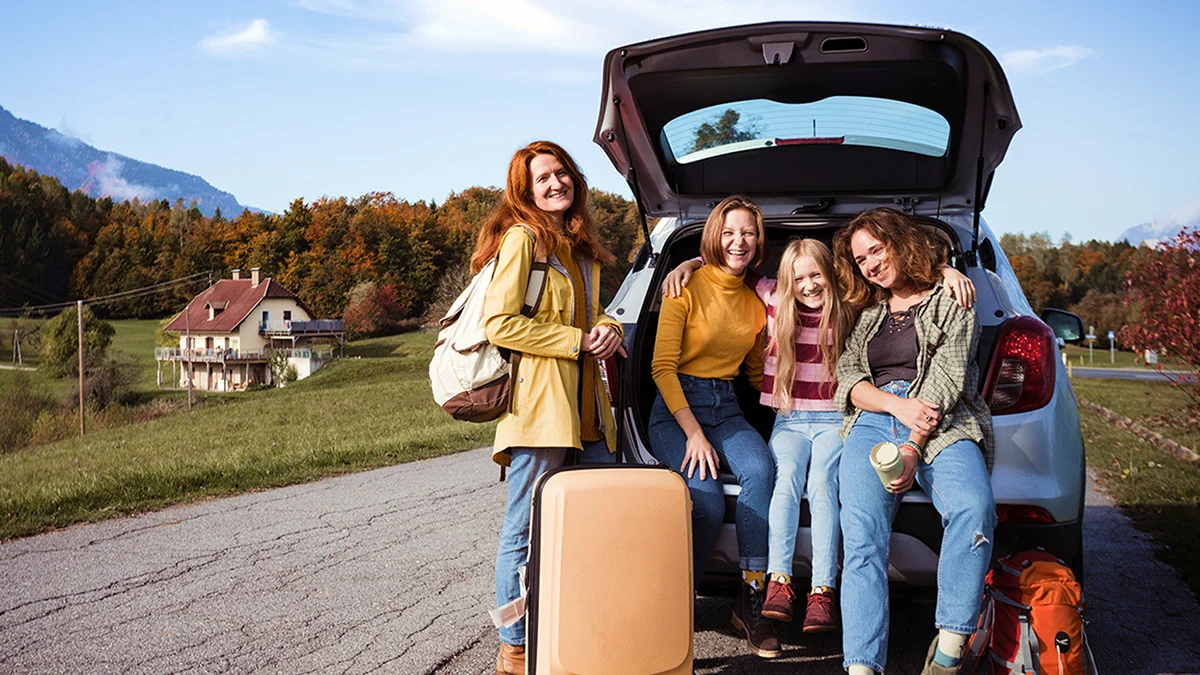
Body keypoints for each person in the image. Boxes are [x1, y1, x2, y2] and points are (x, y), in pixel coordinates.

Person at [661, 236, 974, 638]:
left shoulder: (849, 302)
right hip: (789, 420)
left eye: (816, 275)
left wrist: (944, 271)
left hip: (833, 421)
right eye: (799, 278)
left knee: (824, 484)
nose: (808, 285)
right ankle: (779, 581)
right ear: (785, 283)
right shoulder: (774, 297)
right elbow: (732, 263)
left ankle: (822, 590)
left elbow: (896, 280)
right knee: (786, 479)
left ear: (831, 275)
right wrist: (690, 262)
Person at [476, 140, 624, 675]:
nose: (556, 183)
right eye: (543, 179)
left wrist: (606, 330)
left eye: (562, 173)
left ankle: (580, 632)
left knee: (597, 527)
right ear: (525, 191)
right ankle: (515, 647)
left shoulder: (578, 248)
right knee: (524, 531)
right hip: (540, 412)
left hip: (588, 414)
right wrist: (575, 342)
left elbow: (596, 314)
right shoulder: (523, 240)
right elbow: (500, 323)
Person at [831, 207, 995, 675]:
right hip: (875, 417)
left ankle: (948, 649)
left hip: (945, 420)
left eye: (877, 250)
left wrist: (912, 446)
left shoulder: (953, 296)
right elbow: (848, 378)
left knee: (973, 508)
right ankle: (862, 668)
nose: (871, 265)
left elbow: (947, 377)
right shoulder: (868, 311)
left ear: (901, 243)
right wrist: (893, 406)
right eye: (861, 260)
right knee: (861, 537)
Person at [647, 195, 779, 658]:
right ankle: (674, 607)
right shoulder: (683, 284)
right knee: (705, 500)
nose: (738, 241)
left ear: (758, 240)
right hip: (675, 408)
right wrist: (694, 435)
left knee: (761, 470)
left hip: (725, 405)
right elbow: (661, 368)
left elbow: (754, 373)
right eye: (729, 232)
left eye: (747, 232)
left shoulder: (758, 302)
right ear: (714, 237)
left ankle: (750, 600)